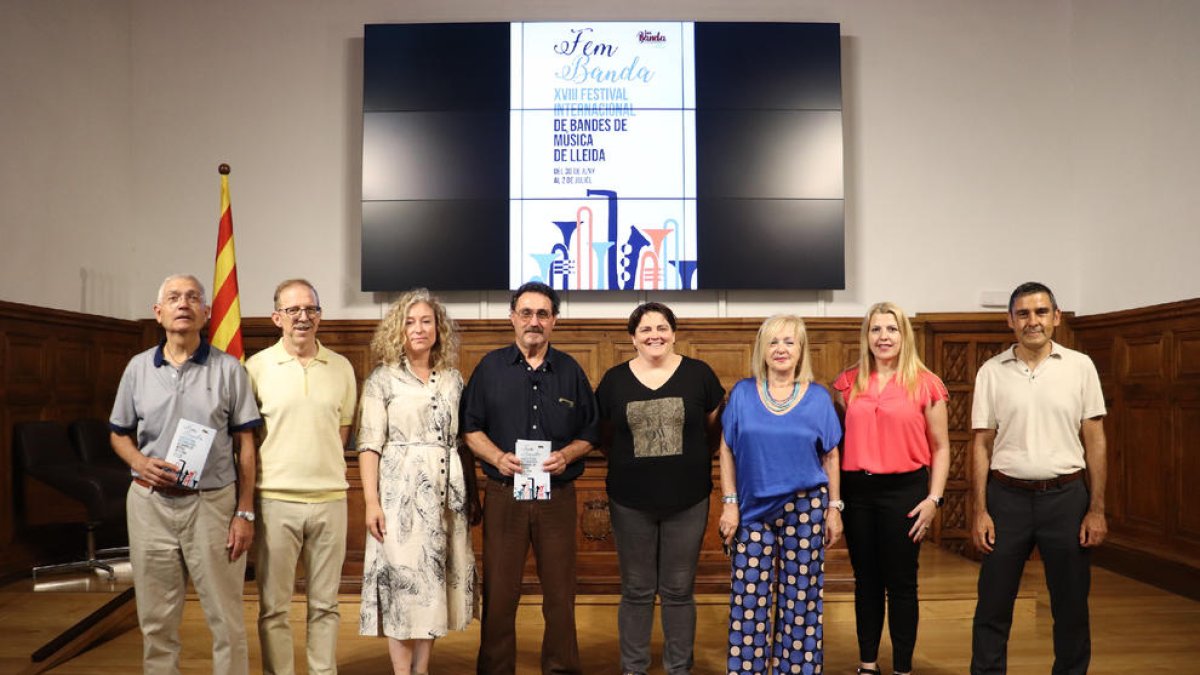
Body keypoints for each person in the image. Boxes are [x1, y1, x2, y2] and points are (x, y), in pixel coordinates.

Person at [109, 274, 261, 675]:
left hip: (211, 505)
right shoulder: (137, 368)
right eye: (173, 298)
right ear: (158, 313)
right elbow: (118, 434)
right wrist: (139, 463)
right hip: (149, 506)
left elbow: (246, 446)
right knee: (156, 620)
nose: (183, 304)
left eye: (193, 297)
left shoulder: (229, 370)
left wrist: (244, 513)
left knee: (226, 619)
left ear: (206, 313)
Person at [461, 281, 599, 675]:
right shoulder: (489, 368)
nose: (534, 321)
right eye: (526, 313)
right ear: (512, 318)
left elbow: (590, 432)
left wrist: (566, 454)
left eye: (542, 314)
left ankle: (561, 668)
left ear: (554, 320)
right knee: (501, 593)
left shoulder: (570, 370)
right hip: (505, 495)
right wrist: (497, 457)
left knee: (559, 595)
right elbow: (470, 428)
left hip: (557, 497)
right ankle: (495, 669)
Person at [969, 282, 1107, 674]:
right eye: (1024, 314)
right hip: (1007, 500)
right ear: (1010, 321)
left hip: (1066, 499)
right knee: (993, 605)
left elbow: (1095, 439)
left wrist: (1096, 509)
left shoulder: (1080, 367)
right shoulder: (991, 372)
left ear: (1057, 317)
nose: (1033, 321)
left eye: (1042, 312)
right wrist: (980, 510)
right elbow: (982, 443)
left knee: (1071, 607)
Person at [595, 302, 725, 675]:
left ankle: (678, 668)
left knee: (678, 589)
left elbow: (714, 428)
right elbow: (605, 435)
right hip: (630, 501)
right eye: (646, 329)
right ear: (633, 337)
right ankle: (633, 668)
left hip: (688, 500)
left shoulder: (699, 374)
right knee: (636, 589)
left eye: (662, 327)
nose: (655, 335)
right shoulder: (615, 380)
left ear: (674, 332)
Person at [357, 288, 478, 675]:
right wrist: (372, 502)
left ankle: (422, 668)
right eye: (410, 321)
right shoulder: (383, 380)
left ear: (438, 329)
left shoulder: (453, 380)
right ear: (398, 329)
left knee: (432, 585)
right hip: (399, 496)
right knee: (401, 581)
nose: (419, 328)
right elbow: (369, 445)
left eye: (427, 321)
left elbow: (463, 439)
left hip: (444, 494)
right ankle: (400, 670)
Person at [717, 314, 843, 675]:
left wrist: (834, 508)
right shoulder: (742, 393)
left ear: (801, 349)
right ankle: (748, 670)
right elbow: (727, 449)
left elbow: (831, 455)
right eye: (773, 342)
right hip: (751, 508)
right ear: (762, 349)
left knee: (800, 599)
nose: (781, 349)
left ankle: (797, 669)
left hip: (805, 506)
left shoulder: (819, 398)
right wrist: (729, 503)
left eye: (789, 341)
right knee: (748, 599)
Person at [245, 279, 358, 675]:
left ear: (320, 316)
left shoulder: (342, 368)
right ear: (277, 317)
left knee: (325, 604)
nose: (303, 317)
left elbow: (340, 434)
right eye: (293, 310)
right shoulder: (255, 368)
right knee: (274, 607)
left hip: (331, 500)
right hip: (275, 501)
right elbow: (249, 439)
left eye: (310, 309)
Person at [831, 302, 950, 675]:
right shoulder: (847, 383)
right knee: (865, 580)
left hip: (906, 491)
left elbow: (942, 447)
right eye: (876, 329)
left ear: (904, 335)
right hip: (858, 491)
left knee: (901, 582)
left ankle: (902, 667)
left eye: (892, 329)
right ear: (866, 336)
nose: (884, 337)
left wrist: (934, 499)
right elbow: (835, 443)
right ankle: (868, 664)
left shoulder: (926, 384)